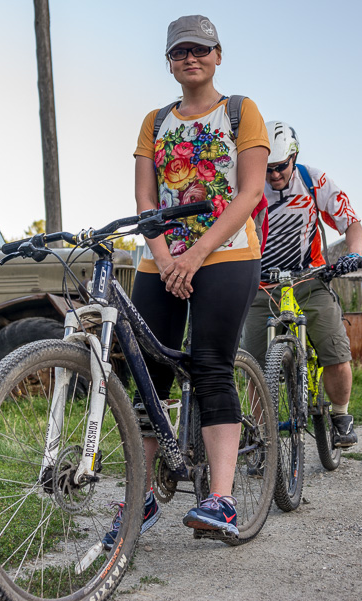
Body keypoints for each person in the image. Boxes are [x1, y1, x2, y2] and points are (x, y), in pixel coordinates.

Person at [103, 15, 269, 546]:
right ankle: (143, 496)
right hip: (161, 259)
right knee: (148, 372)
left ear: (218, 54)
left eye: (199, 49)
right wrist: (165, 255)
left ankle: (220, 500)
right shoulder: (154, 122)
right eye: (179, 52)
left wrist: (195, 254)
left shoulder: (241, 112)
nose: (189, 58)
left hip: (226, 255)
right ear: (170, 62)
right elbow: (146, 201)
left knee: (211, 363)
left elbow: (247, 194)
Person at [240, 121, 362, 449]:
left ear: (294, 157)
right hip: (262, 286)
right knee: (252, 363)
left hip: (309, 279)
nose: (274, 175)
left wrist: (354, 253)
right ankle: (262, 438)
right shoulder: (249, 184)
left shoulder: (314, 181)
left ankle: (340, 416)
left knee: (334, 348)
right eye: (267, 168)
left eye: (281, 167)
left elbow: (351, 222)